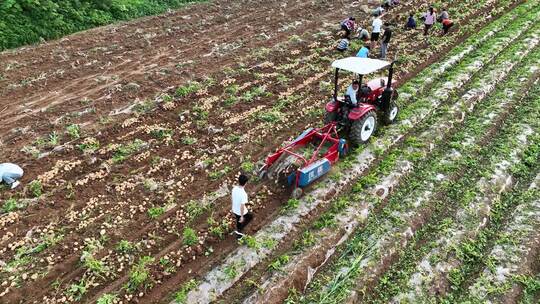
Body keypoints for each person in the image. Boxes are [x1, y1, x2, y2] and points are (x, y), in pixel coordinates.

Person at [231, 174, 253, 239]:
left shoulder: (234, 188)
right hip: (240, 211)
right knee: (250, 217)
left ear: (238, 181)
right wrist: (242, 216)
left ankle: (239, 232)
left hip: (234, 209)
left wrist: (233, 207)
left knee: (238, 220)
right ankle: (240, 231)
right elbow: (242, 206)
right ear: (246, 183)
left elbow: (232, 198)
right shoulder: (244, 194)